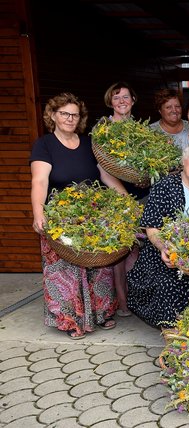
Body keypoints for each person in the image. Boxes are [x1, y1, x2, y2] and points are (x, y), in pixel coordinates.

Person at [30, 92, 127, 339]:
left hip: (93, 214)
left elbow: (105, 176)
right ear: (53, 115)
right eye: (64, 113)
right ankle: (70, 320)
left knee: (98, 265)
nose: (70, 119)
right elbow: (40, 180)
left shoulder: (88, 144)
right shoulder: (45, 145)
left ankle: (100, 314)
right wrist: (38, 212)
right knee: (64, 270)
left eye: (74, 114)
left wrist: (126, 200)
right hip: (60, 217)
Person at [126, 142, 189, 328]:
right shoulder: (164, 186)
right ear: (185, 161)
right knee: (170, 284)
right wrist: (165, 248)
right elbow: (151, 227)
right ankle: (172, 335)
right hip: (164, 254)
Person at [98, 82, 144, 317]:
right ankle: (123, 302)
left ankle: (138, 300)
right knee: (119, 251)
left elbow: (145, 167)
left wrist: (144, 181)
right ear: (110, 101)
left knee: (139, 250)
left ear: (133, 100)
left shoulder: (140, 129)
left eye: (126, 97)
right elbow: (104, 171)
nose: (122, 101)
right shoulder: (103, 129)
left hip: (140, 195)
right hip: (117, 197)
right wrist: (127, 200)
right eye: (116, 97)